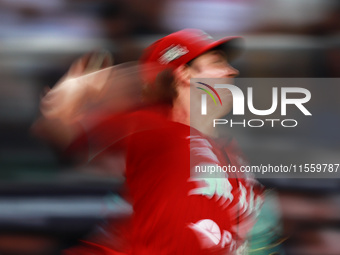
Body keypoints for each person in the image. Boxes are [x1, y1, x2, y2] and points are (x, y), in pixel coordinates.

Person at [35, 29, 264, 255]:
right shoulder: (154, 127)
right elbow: (56, 126)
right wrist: (80, 86)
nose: (231, 71)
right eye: (216, 63)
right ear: (184, 74)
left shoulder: (231, 152)